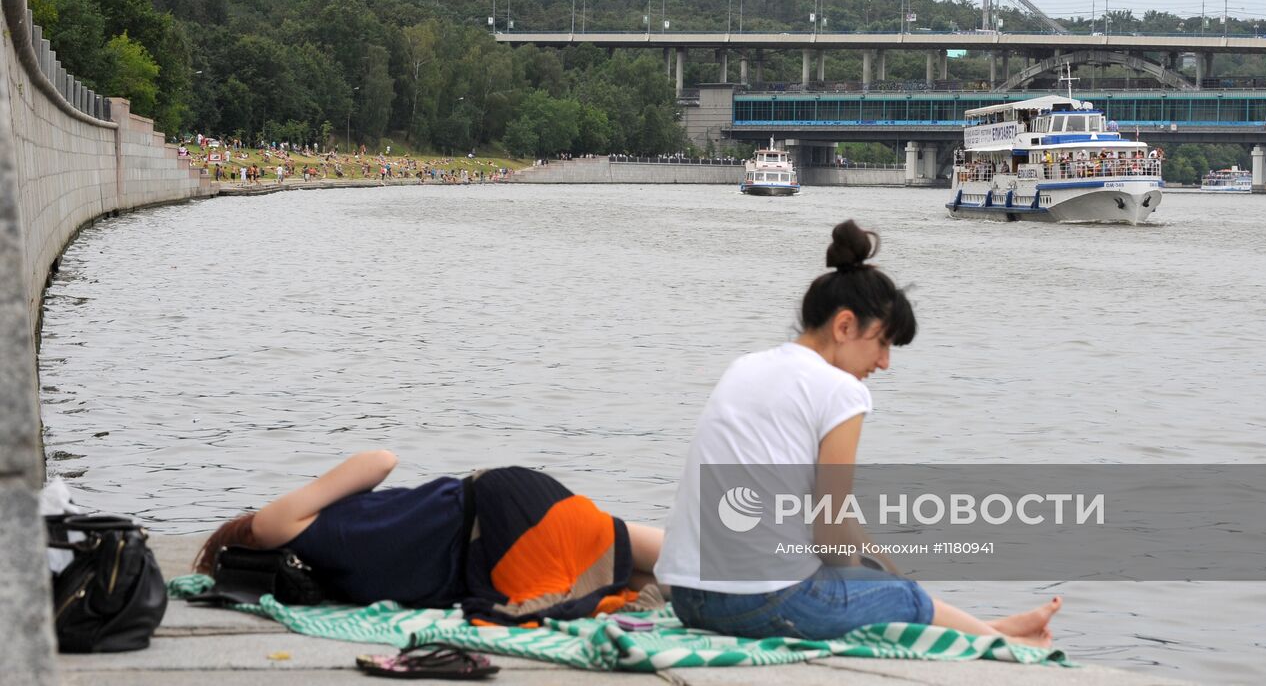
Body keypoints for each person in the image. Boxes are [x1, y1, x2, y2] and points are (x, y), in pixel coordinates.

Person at [655, 221, 1060, 646]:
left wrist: (880, 574)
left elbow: (835, 519)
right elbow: (831, 535)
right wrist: (882, 586)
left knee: (887, 585)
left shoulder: (746, 366)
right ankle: (1003, 642)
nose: (884, 362)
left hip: (687, 597)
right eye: (882, 343)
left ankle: (991, 629)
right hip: (762, 603)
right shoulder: (842, 390)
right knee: (897, 596)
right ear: (845, 326)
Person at [194, 450, 664, 623]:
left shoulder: (275, 529)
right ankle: (728, 572)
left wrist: (310, 499)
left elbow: (382, 458)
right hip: (484, 547)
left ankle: (732, 559)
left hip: (493, 514)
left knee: (633, 553)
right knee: (630, 570)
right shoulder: (318, 575)